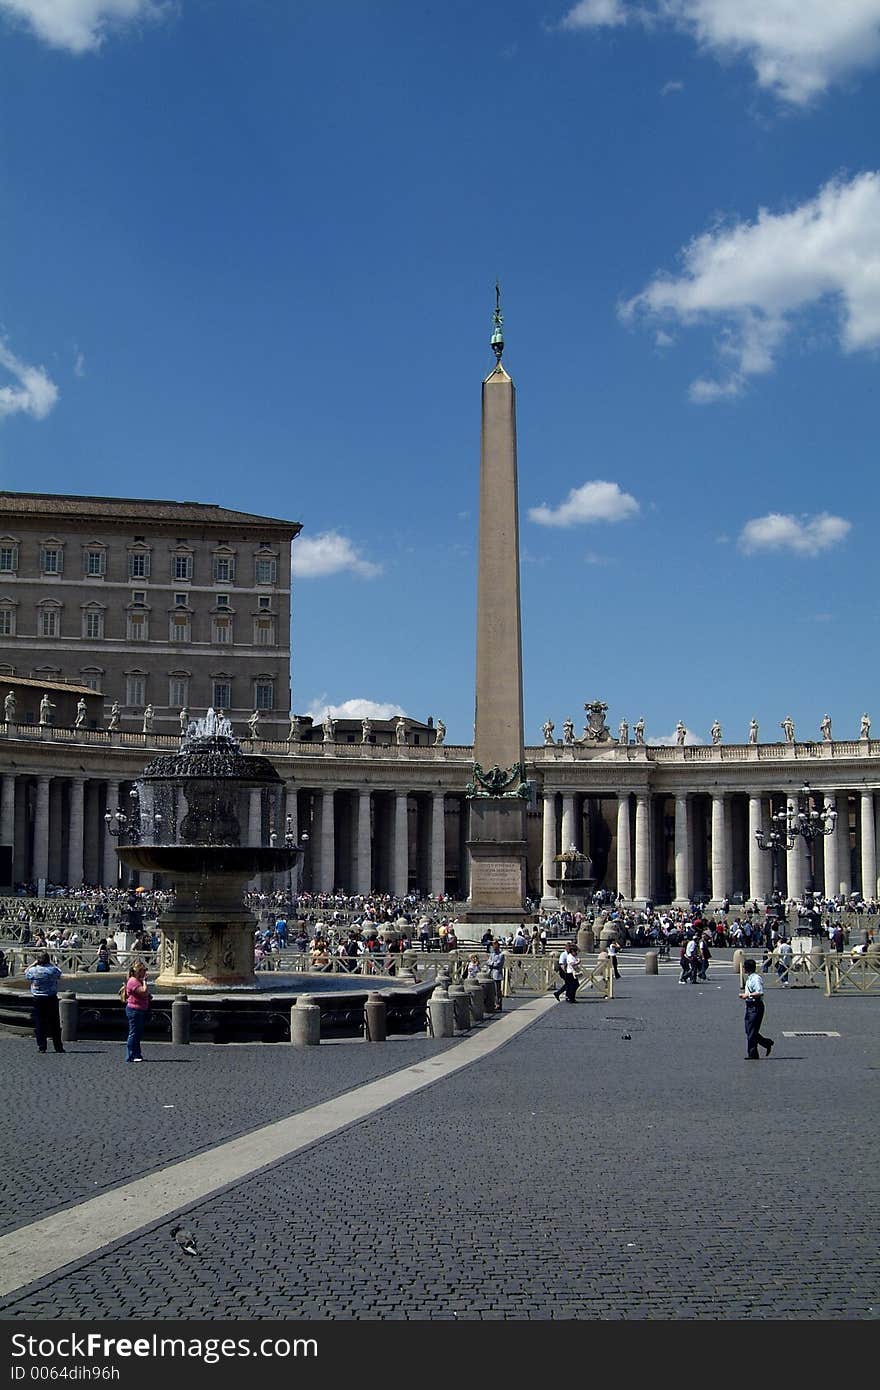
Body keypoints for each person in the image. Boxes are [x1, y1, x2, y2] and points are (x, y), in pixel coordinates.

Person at [24, 951, 65, 1053]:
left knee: (40, 1022)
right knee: (55, 1023)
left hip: (38, 998)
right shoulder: (52, 970)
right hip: (51, 997)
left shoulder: (33, 970)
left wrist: (33, 963)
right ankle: (58, 1046)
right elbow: (59, 973)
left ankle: (42, 1046)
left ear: (38, 960)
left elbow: (26, 973)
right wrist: (51, 964)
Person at [740, 957, 774, 1059]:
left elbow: (759, 992)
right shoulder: (750, 978)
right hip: (750, 1006)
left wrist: (748, 995)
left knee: (751, 1031)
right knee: (749, 1030)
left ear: (747, 969)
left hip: (756, 1006)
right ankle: (766, 1043)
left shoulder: (756, 978)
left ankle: (753, 1054)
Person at [123, 960, 150, 1062]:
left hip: (139, 1009)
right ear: (138, 971)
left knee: (137, 1033)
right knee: (133, 1033)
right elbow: (143, 992)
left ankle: (137, 1054)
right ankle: (130, 1056)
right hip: (134, 1010)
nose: (145, 972)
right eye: (143, 970)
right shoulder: (133, 981)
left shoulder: (136, 980)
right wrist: (145, 981)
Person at [486, 941, 504, 1011]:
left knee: (497, 991)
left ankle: (498, 1004)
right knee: (491, 991)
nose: (494, 949)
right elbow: (488, 962)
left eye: (496, 948)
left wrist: (491, 963)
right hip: (491, 973)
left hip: (497, 974)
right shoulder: (492, 954)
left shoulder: (501, 955)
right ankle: (492, 1003)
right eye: (494, 948)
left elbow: (498, 964)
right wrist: (492, 963)